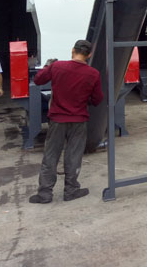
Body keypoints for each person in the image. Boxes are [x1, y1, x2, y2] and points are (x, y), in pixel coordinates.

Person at [29, 40, 103, 204]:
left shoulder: (57, 66)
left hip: (57, 120)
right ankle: (71, 190)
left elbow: (39, 80)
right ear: (89, 55)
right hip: (79, 120)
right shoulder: (93, 74)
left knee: (51, 155)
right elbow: (98, 99)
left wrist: (48, 66)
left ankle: (45, 194)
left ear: (72, 50)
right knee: (73, 156)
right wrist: (86, 100)